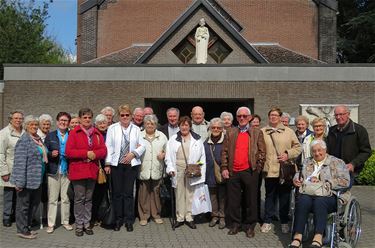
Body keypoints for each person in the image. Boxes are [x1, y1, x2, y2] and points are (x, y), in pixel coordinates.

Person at [290, 140, 350, 248]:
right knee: (302, 200)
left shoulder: (336, 162)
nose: (317, 153)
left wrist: (327, 183)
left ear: (325, 150)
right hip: (309, 193)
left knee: (320, 201)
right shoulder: (308, 161)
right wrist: (296, 179)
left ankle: (318, 236)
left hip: (330, 195)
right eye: (314, 151)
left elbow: (345, 181)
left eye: (319, 150)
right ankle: (297, 236)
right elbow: (299, 174)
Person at [221, 107, 266, 238]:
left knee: (251, 200)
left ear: (249, 117)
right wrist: (224, 167)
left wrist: (257, 169)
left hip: (250, 171)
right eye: (239, 116)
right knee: (234, 200)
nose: (241, 118)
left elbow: (262, 152)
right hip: (233, 171)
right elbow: (224, 152)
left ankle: (250, 225)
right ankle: (235, 224)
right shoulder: (230, 132)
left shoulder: (257, 132)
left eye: (244, 116)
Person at [65, 108, 107, 237]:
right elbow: (69, 151)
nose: (87, 119)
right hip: (78, 171)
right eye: (84, 117)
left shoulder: (96, 133)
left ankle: (87, 224)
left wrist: (94, 154)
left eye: (89, 117)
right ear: (80, 119)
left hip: (92, 171)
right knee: (79, 199)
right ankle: (79, 225)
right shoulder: (74, 132)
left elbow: (104, 150)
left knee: (89, 199)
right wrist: (85, 153)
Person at [261, 107, 301, 234]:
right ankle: (267, 221)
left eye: (275, 115)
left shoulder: (289, 132)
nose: (273, 117)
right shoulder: (263, 131)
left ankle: (284, 221)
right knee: (269, 196)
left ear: (279, 117)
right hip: (270, 169)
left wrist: (287, 154)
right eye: (271, 115)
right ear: (269, 117)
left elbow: (298, 147)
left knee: (285, 197)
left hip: (285, 170)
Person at [105, 104, 145, 232]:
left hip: (131, 165)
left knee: (128, 194)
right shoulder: (112, 128)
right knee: (117, 194)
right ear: (119, 116)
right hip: (117, 164)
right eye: (122, 115)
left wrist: (133, 153)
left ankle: (129, 220)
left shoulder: (136, 129)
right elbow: (109, 146)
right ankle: (118, 220)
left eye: (127, 115)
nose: (125, 117)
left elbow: (142, 146)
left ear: (131, 116)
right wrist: (107, 163)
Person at [165, 116, 206, 229]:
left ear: (190, 126)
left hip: (192, 170)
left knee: (190, 194)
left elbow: (202, 156)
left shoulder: (197, 139)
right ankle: (180, 217)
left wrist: (198, 167)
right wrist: (170, 169)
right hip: (178, 169)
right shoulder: (173, 139)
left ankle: (189, 217)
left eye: (186, 125)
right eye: (182, 125)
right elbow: (168, 156)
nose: (184, 127)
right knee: (179, 194)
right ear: (179, 126)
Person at [11, 115, 48, 239]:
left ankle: (27, 227)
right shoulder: (24, 140)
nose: (34, 127)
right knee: (23, 206)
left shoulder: (37, 139)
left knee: (33, 205)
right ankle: (22, 230)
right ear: (26, 126)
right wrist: (19, 183)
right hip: (26, 180)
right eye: (31, 125)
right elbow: (20, 163)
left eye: (36, 125)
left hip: (38, 179)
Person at [327, 105, 371, 185]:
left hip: (349, 170)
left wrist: (353, 164)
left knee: (342, 191)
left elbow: (366, 152)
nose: (338, 117)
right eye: (336, 115)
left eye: (341, 114)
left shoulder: (359, 130)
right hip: (332, 170)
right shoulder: (331, 131)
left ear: (348, 114)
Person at [44, 112, 73, 234]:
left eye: (66, 120)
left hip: (67, 170)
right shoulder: (50, 136)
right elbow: (44, 151)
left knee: (66, 198)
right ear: (57, 122)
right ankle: (51, 224)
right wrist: (51, 154)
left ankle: (65, 221)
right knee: (53, 199)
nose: (63, 122)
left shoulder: (72, 135)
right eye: (61, 120)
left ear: (68, 123)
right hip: (53, 170)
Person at [138, 114, 167, 226]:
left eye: (152, 123)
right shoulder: (139, 135)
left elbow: (168, 150)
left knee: (156, 194)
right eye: (147, 123)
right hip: (143, 169)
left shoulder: (162, 136)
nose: (150, 125)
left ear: (156, 125)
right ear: (144, 124)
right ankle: (144, 216)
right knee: (143, 194)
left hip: (157, 169)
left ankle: (156, 215)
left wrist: (164, 154)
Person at [0, 110, 25, 227]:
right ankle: (6, 217)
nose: (18, 120)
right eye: (16, 118)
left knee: (19, 195)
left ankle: (16, 215)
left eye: (20, 118)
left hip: (21, 170)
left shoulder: (24, 132)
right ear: (10, 119)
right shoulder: (4, 133)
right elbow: (1, 153)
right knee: (9, 195)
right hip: (10, 169)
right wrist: (4, 171)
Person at [204, 118, 226, 229]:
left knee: (222, 196)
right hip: (210, 174)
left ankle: (222, 217)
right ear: (210, 128)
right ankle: (214, 215)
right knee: (212, 196)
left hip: (223, 174)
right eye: (213, 127)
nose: (216, 129)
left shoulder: (226, 141)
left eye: (218, 127)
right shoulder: (206, 142)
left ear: (222, 129)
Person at [91, 114, 109, 226]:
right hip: (97, 166)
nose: (102, 125)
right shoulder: (94, 134)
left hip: (108, 166)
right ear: (96, 124)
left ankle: (104, 216)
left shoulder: (109, 133)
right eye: (100, 123)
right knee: (96, 194)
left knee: (105, 194)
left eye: (104, 123)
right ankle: (93, 217)